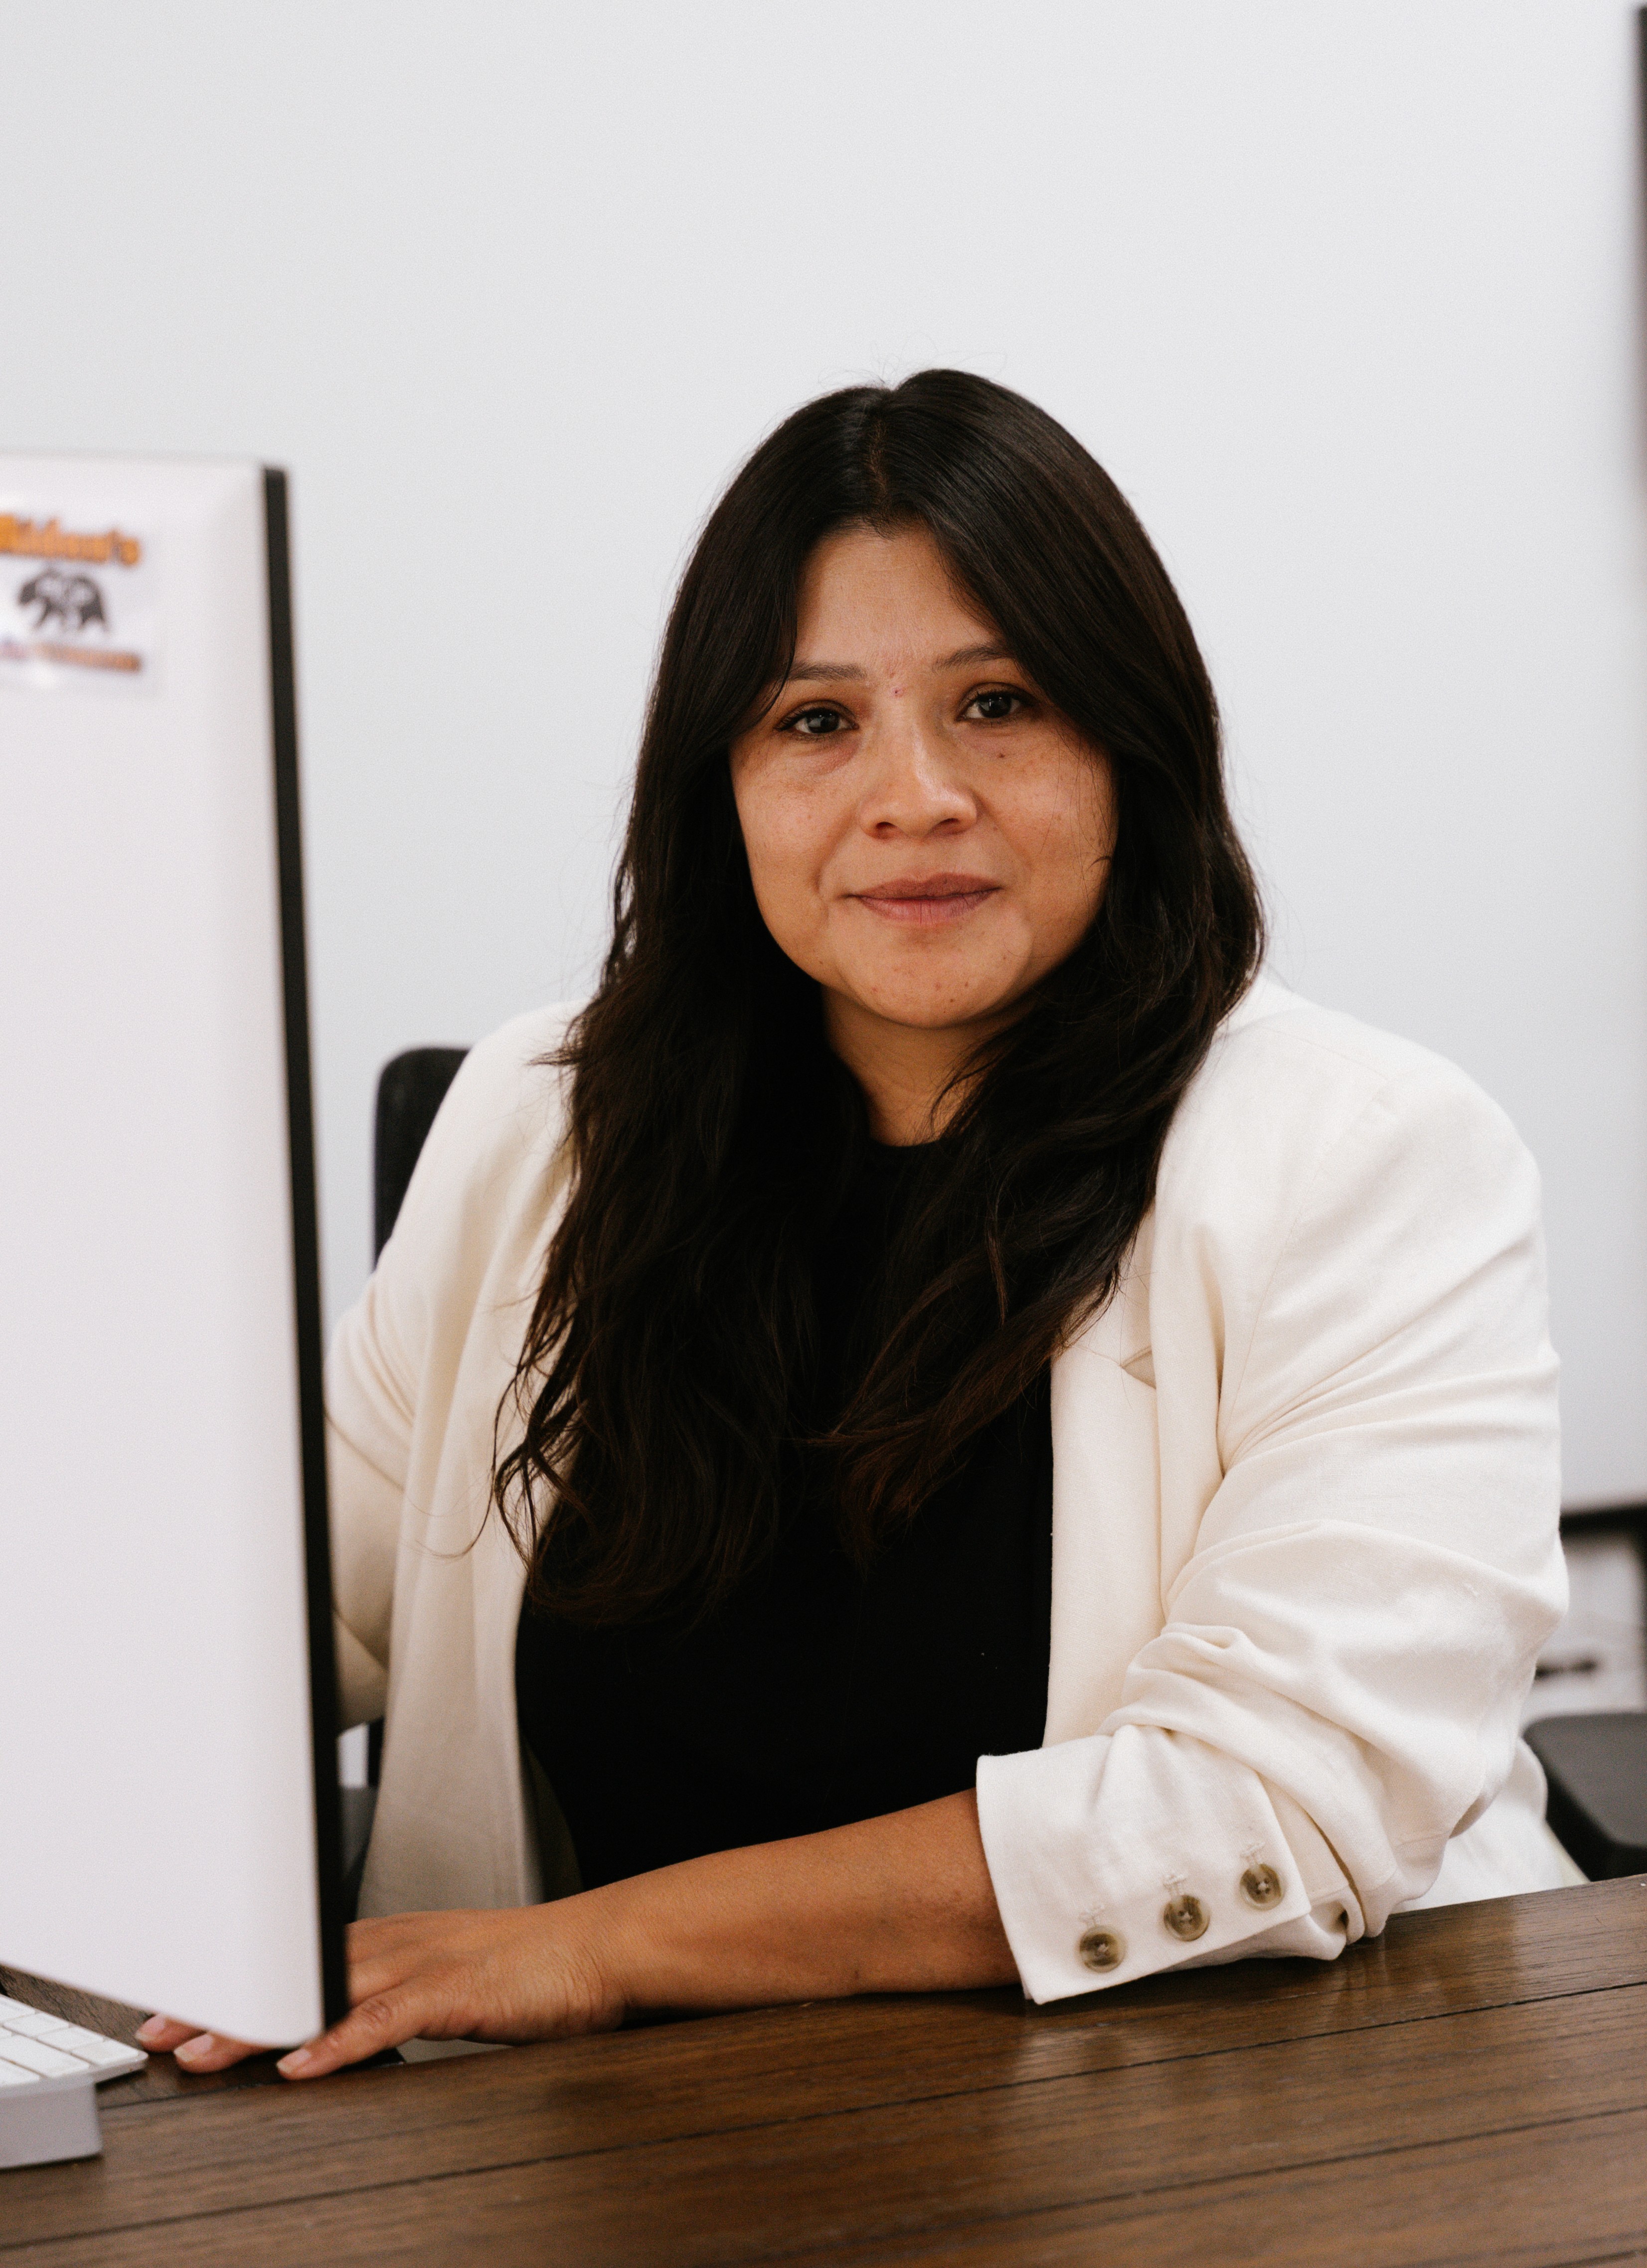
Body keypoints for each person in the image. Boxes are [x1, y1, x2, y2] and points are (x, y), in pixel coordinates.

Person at [141, 370, 1568, 2080]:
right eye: (815, 721)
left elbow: (1268, 1799)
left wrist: (591, 1950)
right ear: (721, 783)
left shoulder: (1367, 1157)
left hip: (1208, 2110)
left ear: (1130, 749)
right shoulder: (545, 1119)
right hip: (601, 2144)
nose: (913, 795)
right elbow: (293, 1618)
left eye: (999, 704)